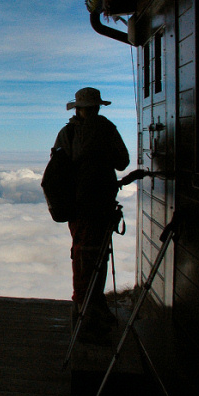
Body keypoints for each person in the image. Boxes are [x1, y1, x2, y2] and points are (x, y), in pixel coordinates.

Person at [53, 87, 129, 343]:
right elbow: (122, 161)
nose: (90, 110)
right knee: (91, 254)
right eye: (89, 107)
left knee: (88, 254)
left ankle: (88, 306)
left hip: (86, 205)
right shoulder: (102, 130)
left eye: (92, 107)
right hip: (93, 204)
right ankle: (87, 307)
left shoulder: (68, 133)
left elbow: (58, 169)